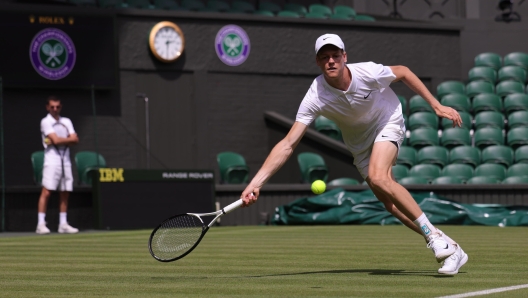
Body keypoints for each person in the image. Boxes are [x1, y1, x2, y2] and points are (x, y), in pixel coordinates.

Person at [241, 34, 468, 275]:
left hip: (387, 120)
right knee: (390, 204)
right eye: (324, 57)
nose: (331, 61)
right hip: (359, 145)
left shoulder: (367, 72)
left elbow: (403, 72)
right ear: (318, 62)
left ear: (344, 57)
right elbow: (288, 143)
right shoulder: (315, 95)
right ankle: (452, 248)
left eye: (335, 56)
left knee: (380, 177)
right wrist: (256, 183)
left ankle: (433, 236)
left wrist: (436, 105)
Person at [36, 96, 79, 234]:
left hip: (65, 160)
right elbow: (55, 139)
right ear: (48, 107)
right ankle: (41, 224)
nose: (55, 109)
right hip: (52, 160)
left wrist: (60, 140)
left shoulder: (66, 121)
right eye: (52, 107)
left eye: (58, 107)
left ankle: (63, 224)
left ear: (61, 107)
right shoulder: (45, 121)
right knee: (47, 191)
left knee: (65, 192)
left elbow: (75, 139)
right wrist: (68, 139)